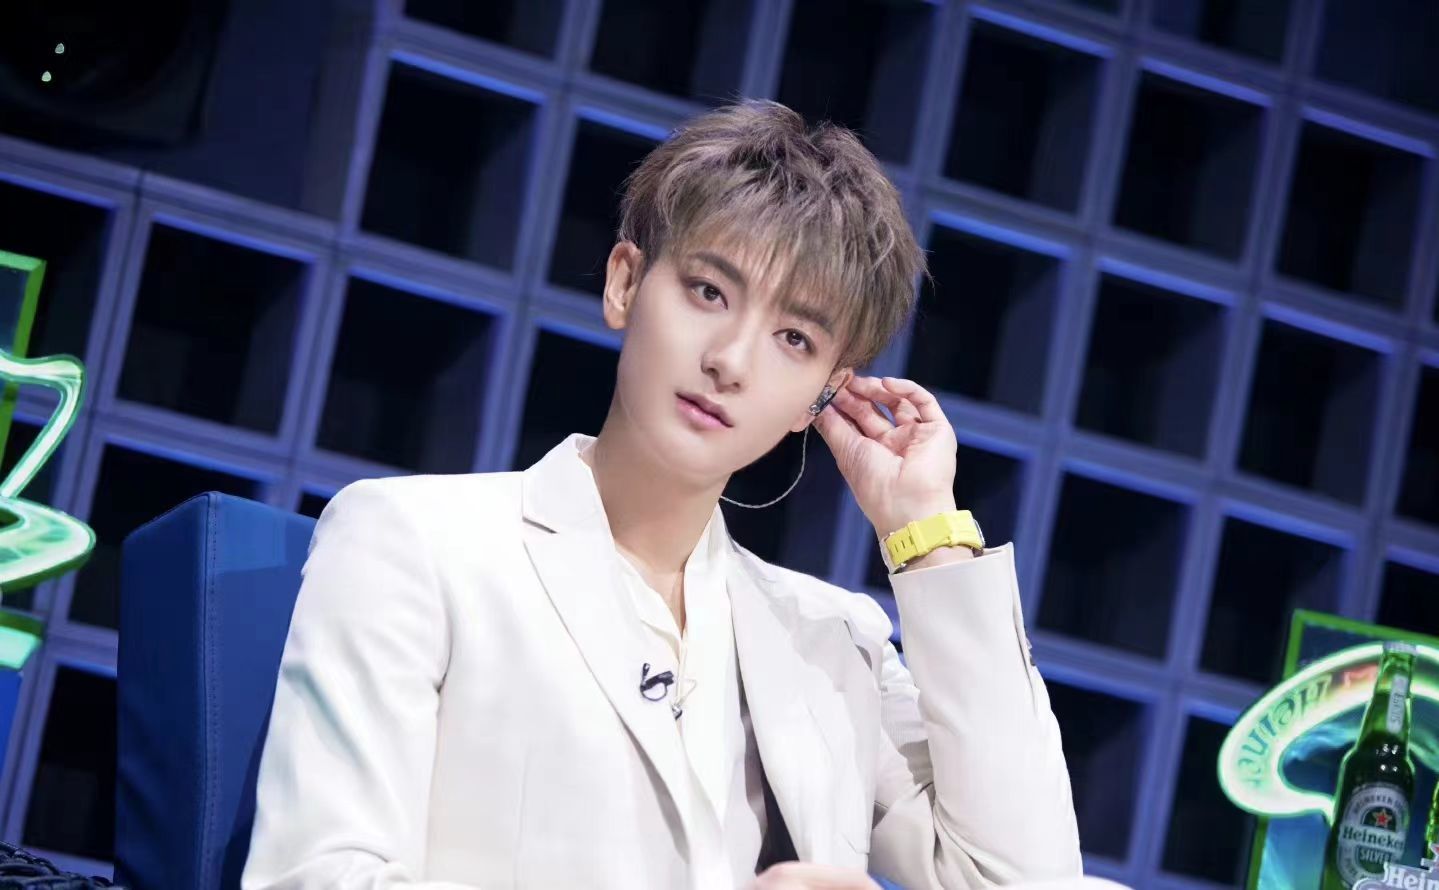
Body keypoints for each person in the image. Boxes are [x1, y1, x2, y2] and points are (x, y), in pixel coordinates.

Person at [241, 99, 1127, 890]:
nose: (729, 361)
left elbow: (1021, 878)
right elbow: (315, 878)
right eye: (708, 291)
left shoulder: (833, 641)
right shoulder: (415, 541)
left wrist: (924, 532)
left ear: (822, 395)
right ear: (625, 282)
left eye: (792, 338)